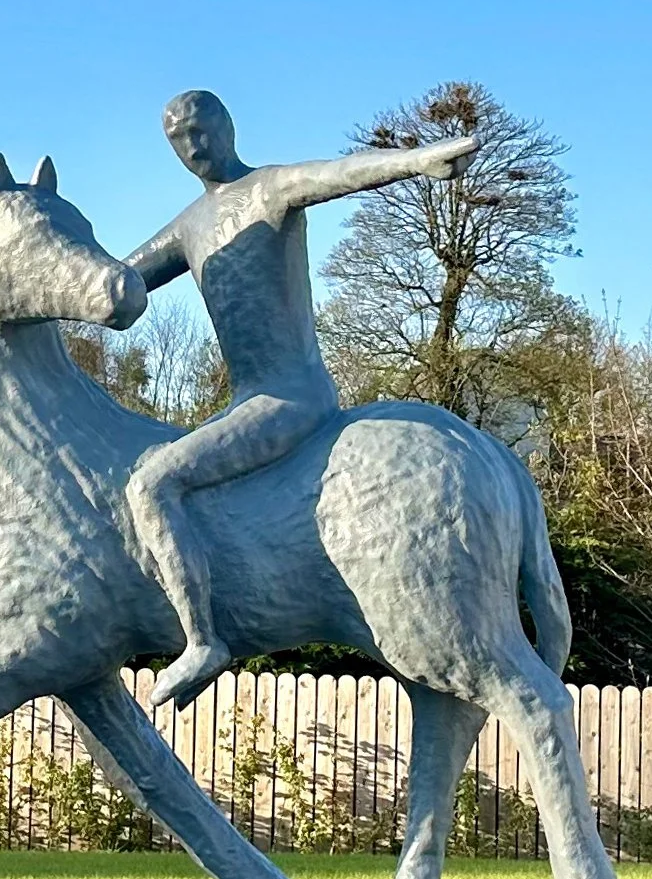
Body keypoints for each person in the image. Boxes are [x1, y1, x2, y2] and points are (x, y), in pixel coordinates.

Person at [125, 89, 477, 707]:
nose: (194, 147)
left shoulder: (270, 189)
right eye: (179, 139)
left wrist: (417, 160)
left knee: (151, 485)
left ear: (227, 126)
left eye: (201, 130)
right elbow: (121, 280)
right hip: (243, 405)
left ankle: (202, 640)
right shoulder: (189, 226)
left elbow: (339, 174)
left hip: (289, 398)